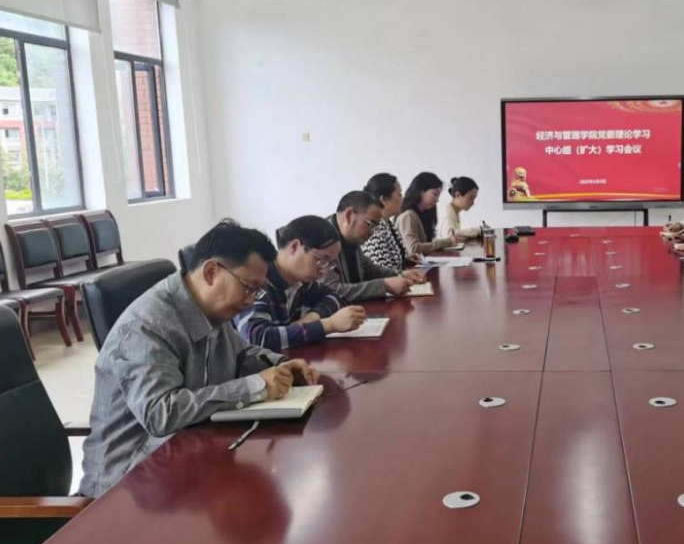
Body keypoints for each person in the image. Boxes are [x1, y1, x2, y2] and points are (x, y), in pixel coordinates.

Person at [79, 220, 320, 499]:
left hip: (184, 455)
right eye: (249, 287)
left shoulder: (211, 307)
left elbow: (240, 354)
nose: (251, 301)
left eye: (258, 291)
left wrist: (277, 365)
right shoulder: (146, 327)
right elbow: (161, 413)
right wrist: (256, 386)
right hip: (128, 484)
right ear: (211, 272)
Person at [234, 215, 366, 352]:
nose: (324, 271)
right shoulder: (257, 282)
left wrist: (312, 317)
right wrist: (328, 325)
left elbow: (335, 296)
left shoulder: (302, 282)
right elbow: (258, 339)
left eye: (329, 264)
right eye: (321, 260)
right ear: (295, 246)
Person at [326, 190, 427, 301]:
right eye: (370, 224)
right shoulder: (324, 239)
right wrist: (384, 285)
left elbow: (369, 270)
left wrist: (400, 274)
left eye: (375, 227)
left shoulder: (351, 238)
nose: (372, 232)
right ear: (349, 215)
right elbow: (332, 291)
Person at [362, 172, 421, 273]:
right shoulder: (375, 232)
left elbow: (390, 263)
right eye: (399, 195)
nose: (402, 199)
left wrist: (405, 259)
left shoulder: (387, 223)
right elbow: (382, 273)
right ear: (384, 199)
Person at [397, 172, 458, 255]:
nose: (437, 200)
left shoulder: (423, 214)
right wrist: (446, 242)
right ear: (421, 192)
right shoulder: (408, 216)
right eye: (435, 194)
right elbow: (413, 248)